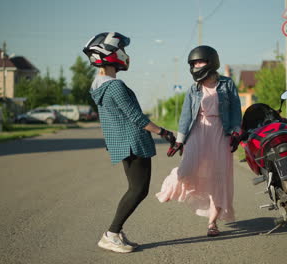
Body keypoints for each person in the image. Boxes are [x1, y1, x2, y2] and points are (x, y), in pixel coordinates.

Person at [83, 32, 176, 253]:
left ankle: (115, 233)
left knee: (135, 188)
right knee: (138, 190)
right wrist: (164, 132)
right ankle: (111, 234)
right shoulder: (114, 86)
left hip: (121, 142)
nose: (125, 55)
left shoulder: (98, 85)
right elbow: (137, 118)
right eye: (121, 50)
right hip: (133, 142)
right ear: (111, 54)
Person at [156, 45, 242, 237]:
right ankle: (172, 185)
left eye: (199, 62)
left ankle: (212, 223)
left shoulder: (227, 84)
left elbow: (236, 110)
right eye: (193, 63)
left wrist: (237, 131)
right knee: (187, 168)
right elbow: (186, 116)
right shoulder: (194, 89)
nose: (196, 65)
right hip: (197, 130)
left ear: (211, 62)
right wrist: (179, 140)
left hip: (221, 131)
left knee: (218, 178)